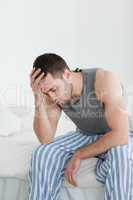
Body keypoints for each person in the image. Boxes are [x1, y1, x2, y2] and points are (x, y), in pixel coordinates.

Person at [28, 53, 133, 200]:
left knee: (121, 155)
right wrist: (38, 97)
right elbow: (46, 139)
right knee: (42, 153)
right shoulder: (51, 94)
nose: (52, 97)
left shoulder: (104, 80)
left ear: (66, 74)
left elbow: (120, 135)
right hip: (85, 134)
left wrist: (80, 154)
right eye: (47, 92)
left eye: (53, 90)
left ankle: (106, 170)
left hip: (116, 134)